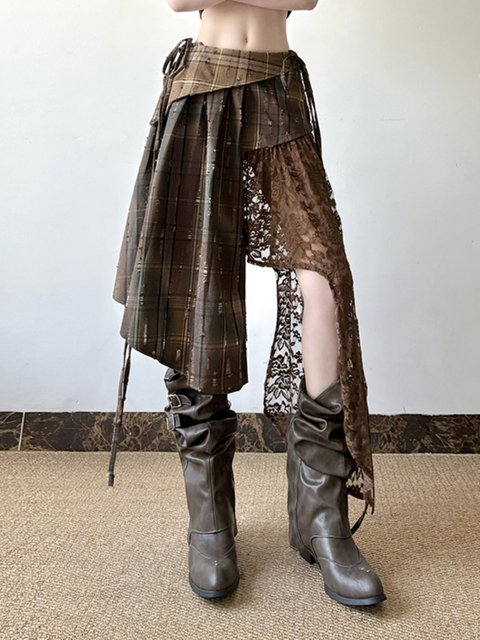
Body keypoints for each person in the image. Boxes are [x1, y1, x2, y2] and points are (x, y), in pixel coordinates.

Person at [108, 0, 387, 606]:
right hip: (201, 94)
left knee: (325, 283)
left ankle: (320, 517)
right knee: (197, 293)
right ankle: (211, 521)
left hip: (276, 96)